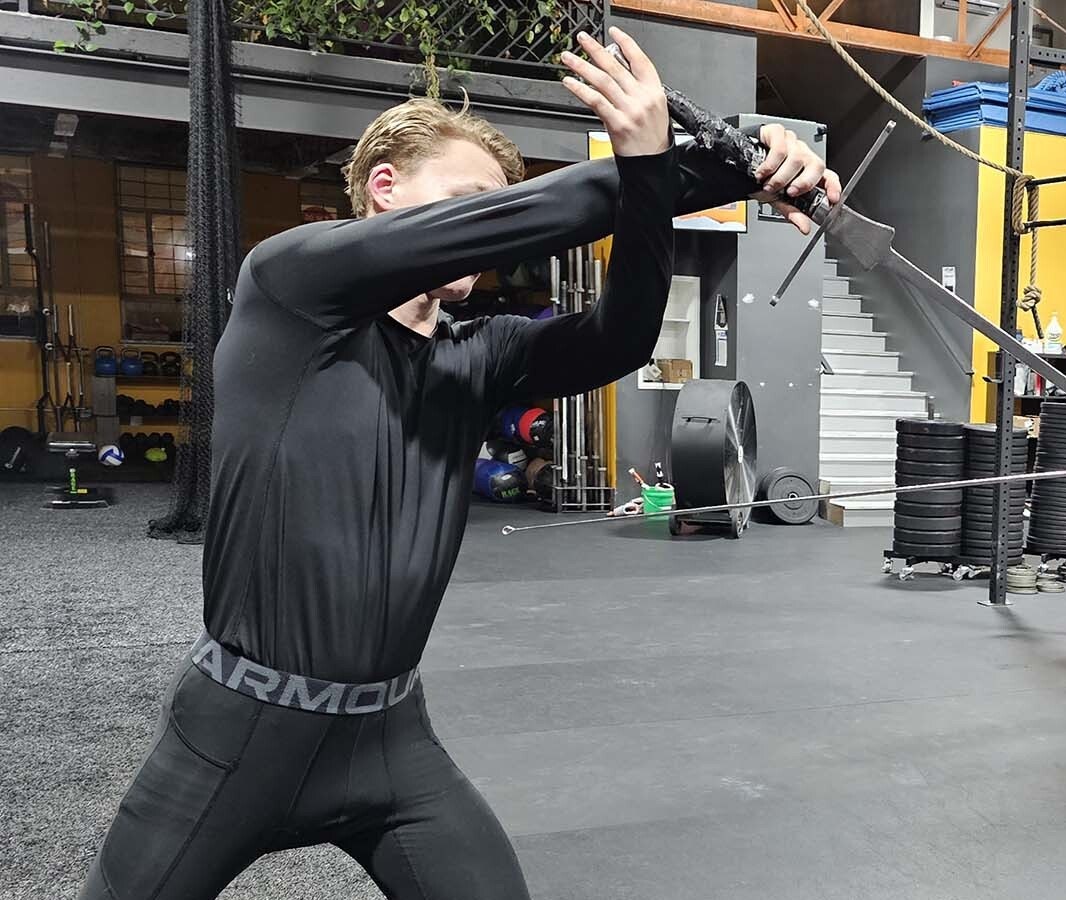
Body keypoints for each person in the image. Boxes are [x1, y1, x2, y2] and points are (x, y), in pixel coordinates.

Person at [77, 28, 840, 900]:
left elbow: (625, 334)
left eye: (493, 209)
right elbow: (533, 216)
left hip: (390, 737)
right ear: (385, 190)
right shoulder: (290, 288)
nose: (488, 233)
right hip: (238, 731)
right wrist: (711, 169)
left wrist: (744, 171)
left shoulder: (483, 352)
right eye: (468, 205)